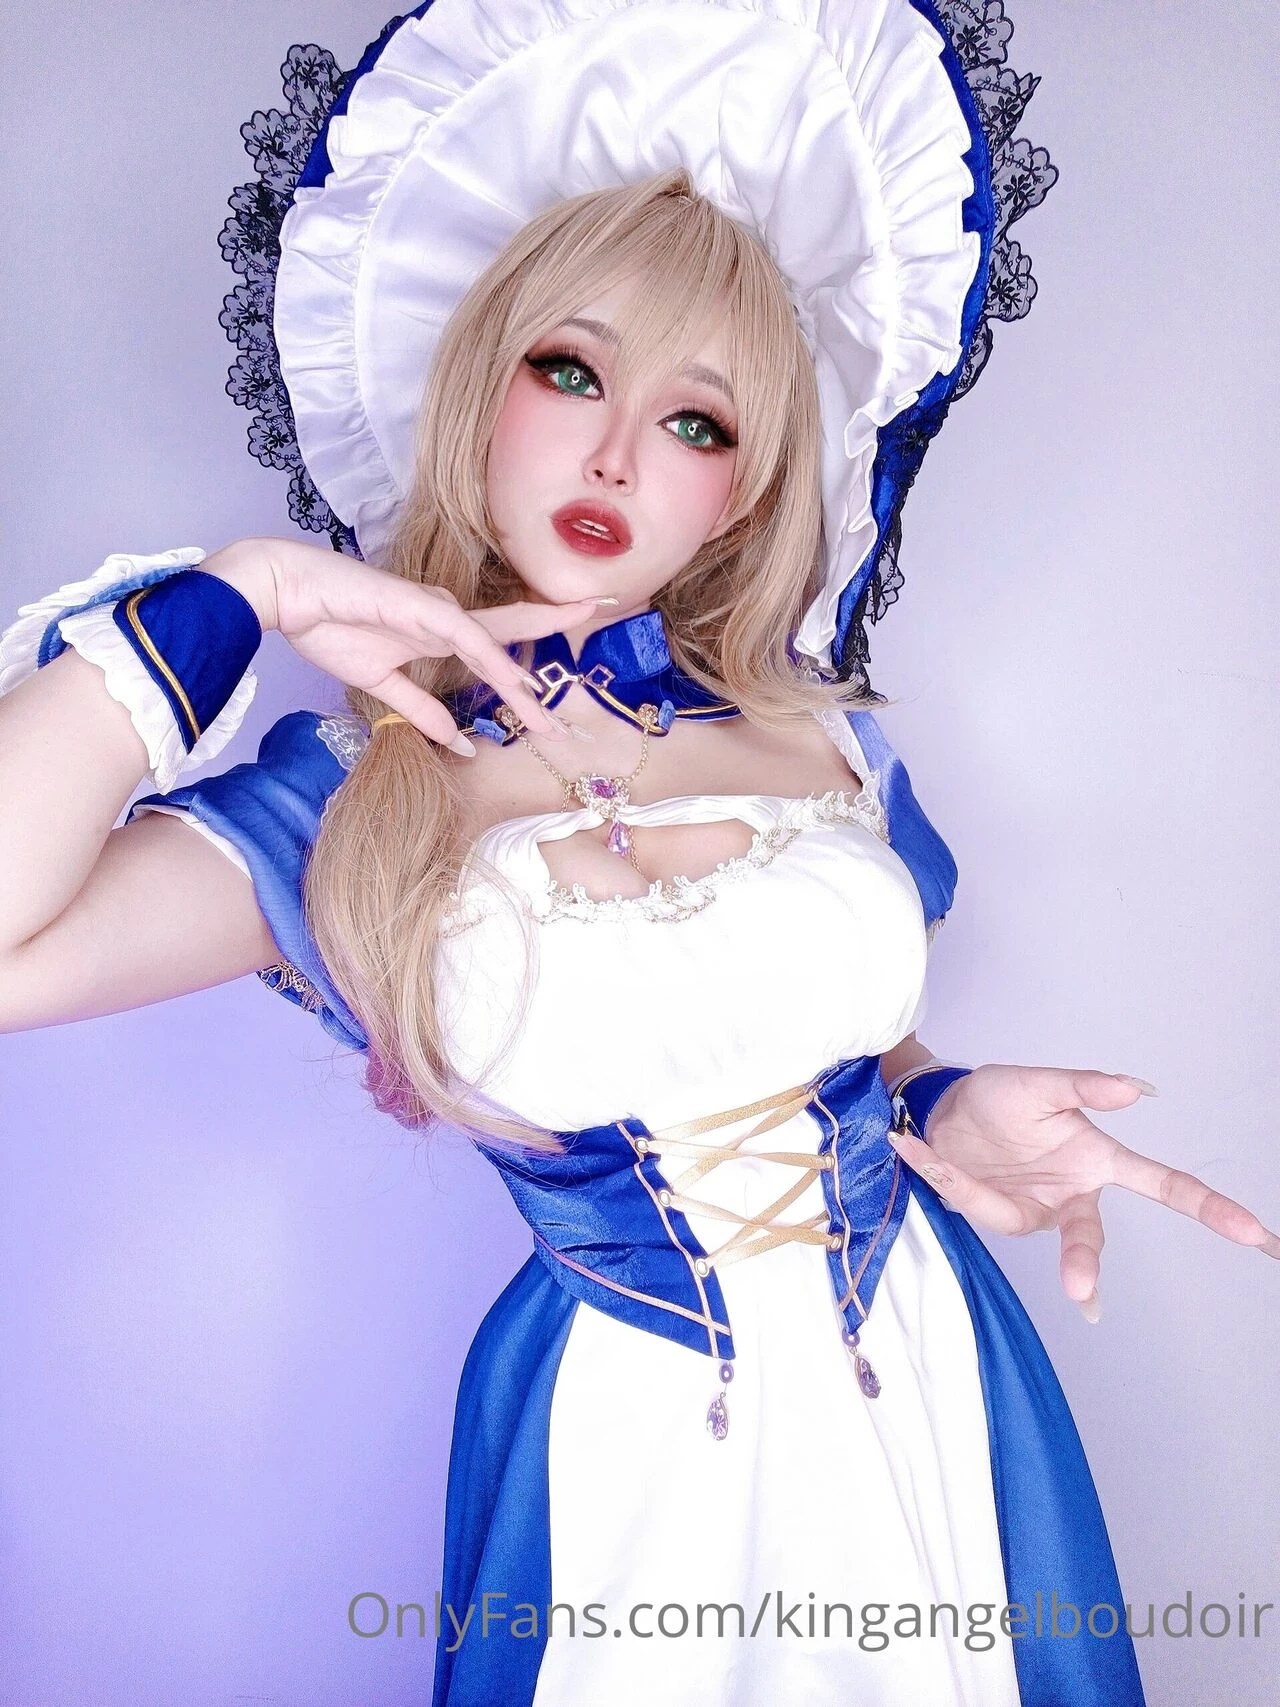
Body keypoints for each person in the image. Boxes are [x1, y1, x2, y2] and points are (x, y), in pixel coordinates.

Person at [1, 6, 1275, 1705]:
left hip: (932, 1376)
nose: (618, 450)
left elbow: (845, 1056)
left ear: (741, 494)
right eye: (572, 371)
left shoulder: (826, 741)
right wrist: (249, 593)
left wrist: (938, 1104)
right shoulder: (346, 807)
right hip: (631, 1456)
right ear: (477, 390)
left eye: (698, 420)